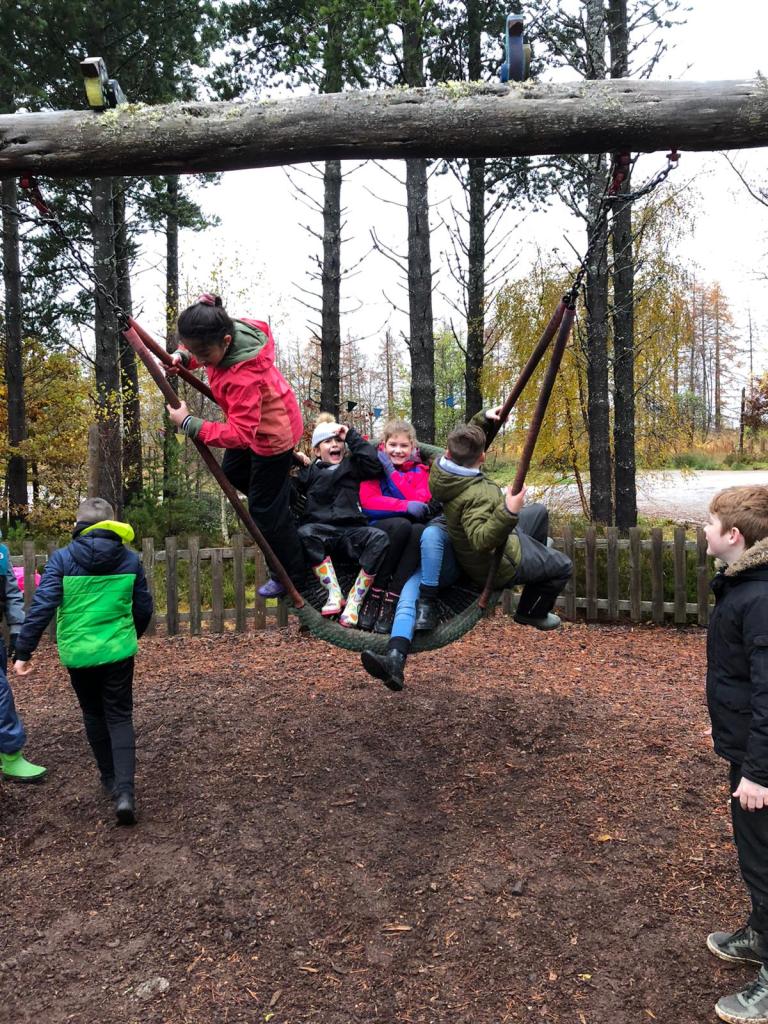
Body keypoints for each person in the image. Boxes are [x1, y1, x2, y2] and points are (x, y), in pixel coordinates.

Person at [13, 498, 153, 826]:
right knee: (119, 716)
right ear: (112, 524)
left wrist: (23, 652)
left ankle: (109, 779)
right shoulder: (129, 560)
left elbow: (42, 606)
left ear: (79, 525)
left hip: (79, 655)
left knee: (93, 714)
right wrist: (128, 637)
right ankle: (125, 793)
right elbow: (144, 608)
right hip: (118, 652)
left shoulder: (62, 559)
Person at [166, 293, 304, 595]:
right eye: (194, 352)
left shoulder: (242, 376)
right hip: (256, 423)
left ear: (226, 341)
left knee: (264, 511)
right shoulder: (222, 333)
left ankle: (293, 574)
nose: (201, 361)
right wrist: (183, 358)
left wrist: (189, 423)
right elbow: (199, 350)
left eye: (204, 355)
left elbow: (241, 435)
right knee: (234, 471)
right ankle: (289, 495)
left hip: (271, 435)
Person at [701, 485, 768, 1023]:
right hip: (747, 748)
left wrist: (759, 773)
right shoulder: (742, 586)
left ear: (734, 536)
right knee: (755, 856)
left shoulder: (761, 599)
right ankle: (760, 935)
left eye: (710, 522)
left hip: (762, 764)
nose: (704, 529)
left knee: (767, 862)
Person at [295, 418, 388, 628]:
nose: (335, 444)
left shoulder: (352, 466)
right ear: (317, 451)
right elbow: (288, 489)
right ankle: (334, 593)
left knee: (380, 538)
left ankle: (355, 600)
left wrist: (350, 435)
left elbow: (374, 464)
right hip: (322, 533)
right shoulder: (309, 472)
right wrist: (294, 461)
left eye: (338, 440)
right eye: (327, 441)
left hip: (351, 532)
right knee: (304, 532)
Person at [357, 418, 443, 633]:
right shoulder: (373, 467)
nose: (398, 450)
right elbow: (369, 503)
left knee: (419, 530)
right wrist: (404, 506)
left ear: (412, 447)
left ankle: (391, 599)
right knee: (403, 525)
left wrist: (392, 473)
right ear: (383, 445)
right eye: (393, 445)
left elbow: (421, 502)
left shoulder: (420, 470)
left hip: (408, 535)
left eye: (404, 445)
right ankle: (375, 593)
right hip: (379, 530)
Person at [0, 530, 46, 783]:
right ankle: (11, 755)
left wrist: (18, 631)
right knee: (1, 694)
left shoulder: (1, 553)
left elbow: (11, 593)